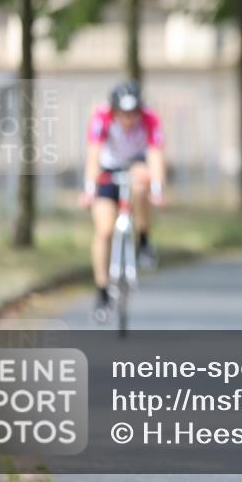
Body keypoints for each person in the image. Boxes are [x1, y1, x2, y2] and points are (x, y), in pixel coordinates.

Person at [79, 81, 165, 321]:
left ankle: (144, 240)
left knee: (141, 184)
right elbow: (93, 155)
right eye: (123, 113)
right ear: (114, 110)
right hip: (108, 169)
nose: (129, 119)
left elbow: (156, 156)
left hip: (136, 164)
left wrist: (158, 189)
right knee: (104, 230)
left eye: (133, 113)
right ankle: (102, 290)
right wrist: (89, 189)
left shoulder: (150, 119)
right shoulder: (101, 117)